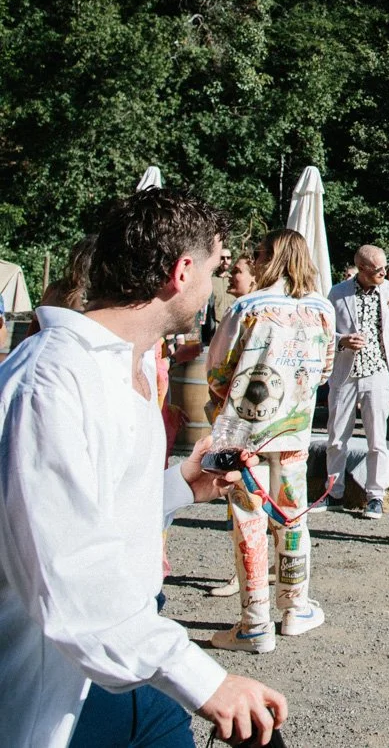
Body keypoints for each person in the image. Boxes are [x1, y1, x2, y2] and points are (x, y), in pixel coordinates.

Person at [0, 188, 288, 748]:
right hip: (61, 684)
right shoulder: (53, 383)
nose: (216, 285)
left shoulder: (116, 366)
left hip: (131, 661)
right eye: (214, 266)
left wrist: (182, 486)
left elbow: (90, 509)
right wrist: (207, 682)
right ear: (182, 272)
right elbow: (68, 577)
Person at [206, 228, 337, 653]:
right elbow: (325, 368)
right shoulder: (321, 308)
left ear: (274, 258)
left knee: (249, 521)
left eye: (260, 254)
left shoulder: (249, 307)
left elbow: (217, 370)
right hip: (293, 431)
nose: (256, 261)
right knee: (293, 515)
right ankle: (295, 607)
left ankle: (254, 621)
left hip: (245, 435)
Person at [326, 245, 389, 519]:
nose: (384, 274)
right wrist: (342, 340)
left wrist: (386, 351)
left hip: (377, 371)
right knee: (337, 437)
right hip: (345, 373)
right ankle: (333, 492)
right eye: (377, 270)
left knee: (377, 438)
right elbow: (324, 331)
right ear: (361, 269)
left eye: (385, 268)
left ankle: (376, 496)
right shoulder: (338, 293)